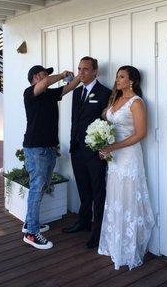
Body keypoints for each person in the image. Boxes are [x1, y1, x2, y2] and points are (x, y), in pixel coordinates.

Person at [98, 65, 154, 269]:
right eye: (117, 76)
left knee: (128, 197)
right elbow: (108, 125)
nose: (117, 80)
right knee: (115, 197)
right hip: (114, 156)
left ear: (132, 81)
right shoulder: (115, 99)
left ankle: (128, 248)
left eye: (122, 77)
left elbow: (140, 133)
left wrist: (113, 146)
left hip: (129, 155)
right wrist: (101, 142)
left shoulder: (136, 102)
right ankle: (114, 243)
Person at [22, 65, 80, 250]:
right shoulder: (29, 93)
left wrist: (79, 76)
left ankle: (29, 223)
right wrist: (63, 74)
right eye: (44, 73)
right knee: (37, 188)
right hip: (36, 149)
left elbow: (68, 88)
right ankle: (31, 233)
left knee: (41, 186)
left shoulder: (49, 95)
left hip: (48, 149)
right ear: (36, 77)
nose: (47, 76)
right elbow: (48, 82)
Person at [62, 56, 111, 249]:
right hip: (77, 150)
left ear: (95, 72)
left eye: (85, 69)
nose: (81, 73)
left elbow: (107, 123)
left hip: (94, 153)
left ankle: (97, 232)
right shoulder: (77, 93)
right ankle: (83, 222)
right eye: (79, 69)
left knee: (98, 193)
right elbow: (75, 121)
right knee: (83, 190)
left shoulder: (105, 93)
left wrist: (102, 148)